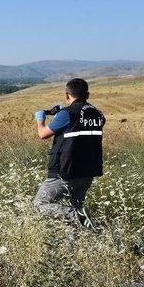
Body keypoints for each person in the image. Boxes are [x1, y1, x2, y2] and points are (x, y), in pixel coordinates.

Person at [33, 78, 105, 232]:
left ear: (67, 95)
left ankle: (76, 215)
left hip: (65, 171)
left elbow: (43, 134)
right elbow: (80, 123)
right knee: (76, 206)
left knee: (40, 204)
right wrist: (61, 113)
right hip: (88, 171)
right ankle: (71, 249)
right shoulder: (98, 114)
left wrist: (40, 120)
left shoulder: (66, 114)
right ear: (88, 94)